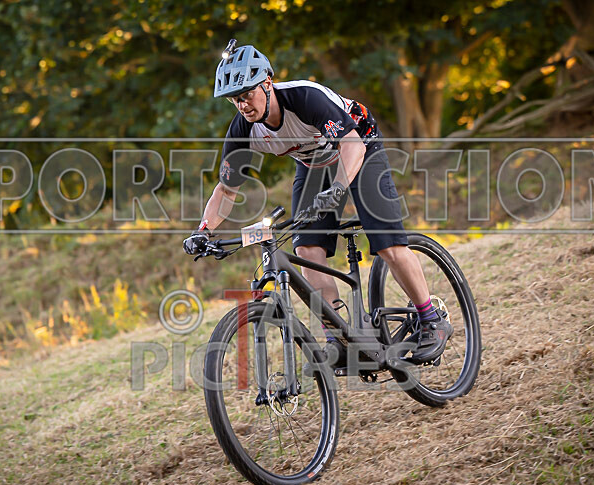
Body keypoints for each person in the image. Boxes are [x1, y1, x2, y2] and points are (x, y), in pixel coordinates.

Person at [183, 41, 451, 365]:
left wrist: (338, 189)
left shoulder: (304, 98)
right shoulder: (242, 130)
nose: (242, 105)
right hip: (314, 165)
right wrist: (203, 230)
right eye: (235, 99)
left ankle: (431, 318)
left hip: (360, 146)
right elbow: (226, 191)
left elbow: (352, 145)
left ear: (267, 83)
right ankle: (339, 336)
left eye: (247, 94)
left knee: (387, 244)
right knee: (307, 251)